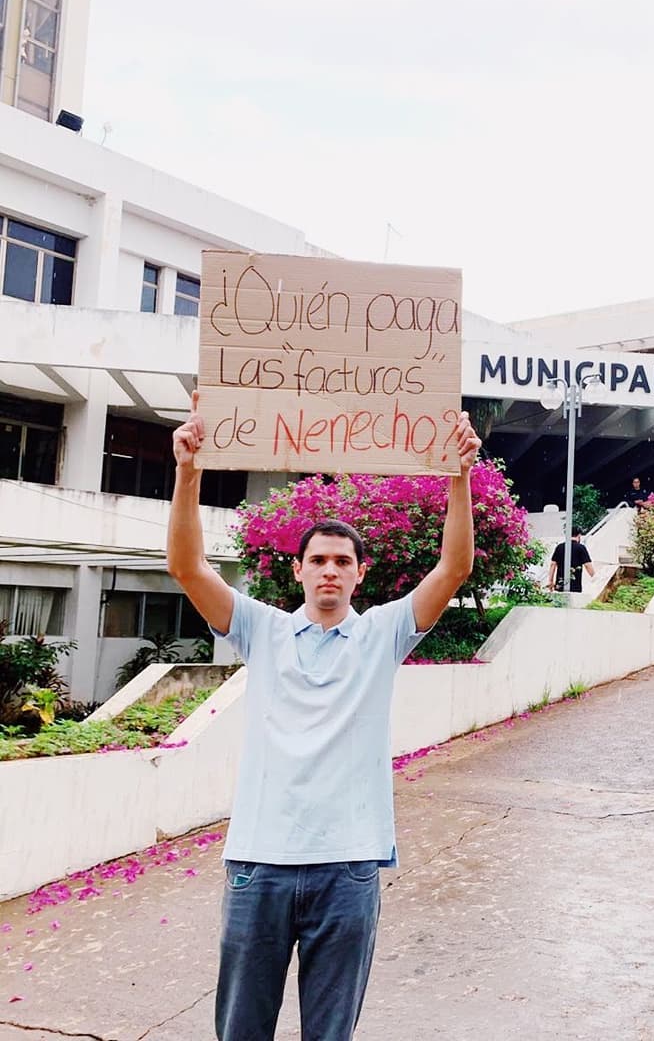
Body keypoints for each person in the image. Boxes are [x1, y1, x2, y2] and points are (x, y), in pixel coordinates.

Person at [166, 392, 481, 1041]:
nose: (330, 570)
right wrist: (188, 471)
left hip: (347, 868)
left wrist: (460, 475)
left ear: (360, 574)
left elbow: (454, 567)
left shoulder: (383, 636)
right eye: (318, 560)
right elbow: (187, 567)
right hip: (258, 865)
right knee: (241, 1031)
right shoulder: (262, 630)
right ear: (298, 570)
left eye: (343, 561)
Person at [547, 527, 595, 592]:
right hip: (575, 586)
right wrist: (594, 577)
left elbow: (553, 564)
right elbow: (587, 565)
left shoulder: (559, 547)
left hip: (560, 585)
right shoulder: (581, 548)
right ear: (579, 535)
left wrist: (550, 581)